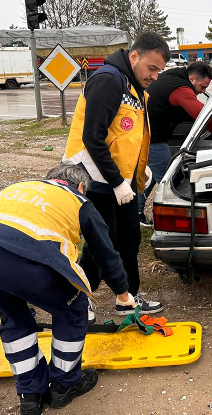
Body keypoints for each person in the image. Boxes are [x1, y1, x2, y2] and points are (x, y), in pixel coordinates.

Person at [0, 163, 135, 415]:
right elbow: (105, 253)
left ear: (50, 179)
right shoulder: (78, 201)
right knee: (73, 309)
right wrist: (123, 293)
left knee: (14, 317)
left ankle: (29, 395)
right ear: (81, 187)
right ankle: (64, 385)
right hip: (26, 260)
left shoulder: (20, 186)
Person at [63, 31, 168, 315]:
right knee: (102, 244)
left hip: (120, 181)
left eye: (160, 71)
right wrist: (118, 182)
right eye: (152, 68)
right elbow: (93, 138)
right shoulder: (108, 80)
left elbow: (125, 135)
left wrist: (137, 167)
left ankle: (129, 298)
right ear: (134, 56)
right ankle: (76, 298)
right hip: (95, 181)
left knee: (129, 239)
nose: (156, 76)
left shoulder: (132, 85)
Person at [138, 61, 212, 226]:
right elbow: (203, 118)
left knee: (148, 177)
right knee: (170, 181)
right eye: (202, 87)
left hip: (146, 137)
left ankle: (136, 214)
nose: (203, 91)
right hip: (153, 141)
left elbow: (188, 112)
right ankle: (183, 223)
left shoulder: (174, 79)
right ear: (192, 78)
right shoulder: (181, 89)